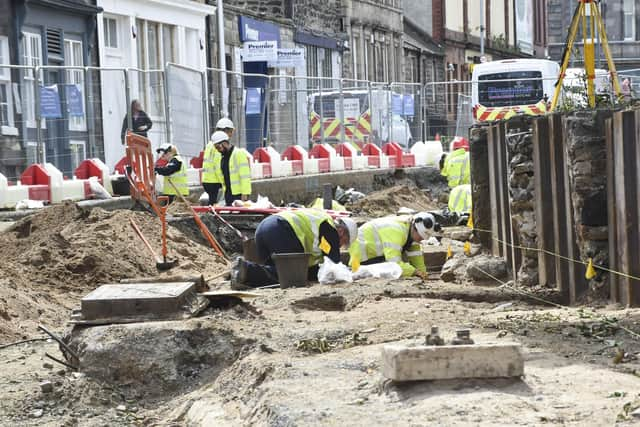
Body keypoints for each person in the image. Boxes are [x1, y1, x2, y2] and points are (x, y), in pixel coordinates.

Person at [231, 210, 358, 289]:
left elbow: (318, 266)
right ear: (341, 231)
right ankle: (247, 269)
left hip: (265, 229)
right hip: (281, 229)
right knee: (291, 278)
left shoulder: (323, 226)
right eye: (344, 242)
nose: (340, 246)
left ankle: (241, 272)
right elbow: (333, 262)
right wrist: (349, 273)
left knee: (275, 277)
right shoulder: (330, 229)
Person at [348, 212, 441, 280]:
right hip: (361, 260)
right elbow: (394, 263)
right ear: (415, 228)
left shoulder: (410, 233)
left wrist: (423, 274)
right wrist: (414, 271)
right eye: (421, 237)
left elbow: (416, 257)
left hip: (377, 257)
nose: (421, 239)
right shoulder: (396, 231)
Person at [202, 130, 251, 206]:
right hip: (228, 194)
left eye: (218, 147)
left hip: (238, 194)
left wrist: (245, 194)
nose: (218, 150)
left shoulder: (238, 154)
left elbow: (245, 176)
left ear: (224, 143)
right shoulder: (223, 157)